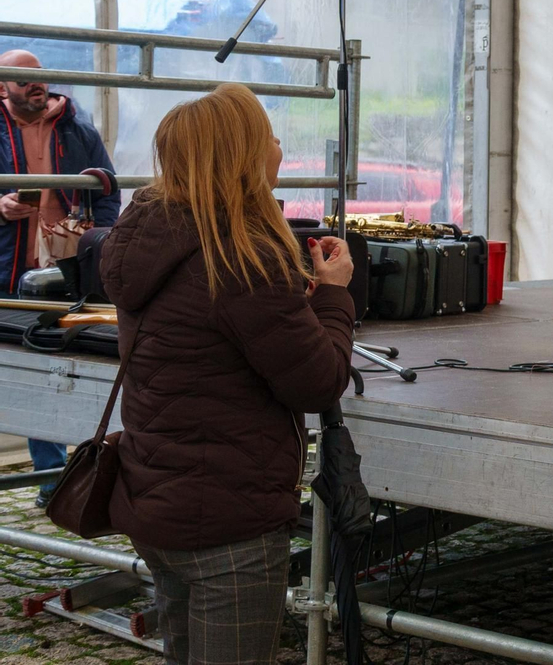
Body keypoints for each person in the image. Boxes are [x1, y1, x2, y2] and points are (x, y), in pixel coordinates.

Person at [99, 83, 354, 665]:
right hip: (227, 521)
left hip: (160, 500)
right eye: (268, 134)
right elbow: (317, 382)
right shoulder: (240, 256)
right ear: (241, 154)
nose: (279, 145)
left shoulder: (149, 237)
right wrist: (335, 296)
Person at [0, 49, 120, 504]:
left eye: (40, 76)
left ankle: (73, 475)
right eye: (22, 78)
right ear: (2, 87)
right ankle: (50, 477)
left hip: (67, 276)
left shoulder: (78, 129)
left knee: (72, 367)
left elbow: (109, 189)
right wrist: (1, 207)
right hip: (9, 270)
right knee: (23, 377)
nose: (36, 84)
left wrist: (94, 232)